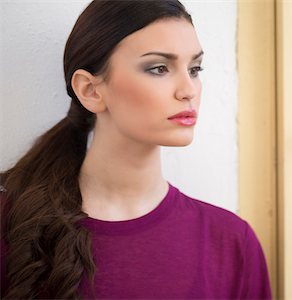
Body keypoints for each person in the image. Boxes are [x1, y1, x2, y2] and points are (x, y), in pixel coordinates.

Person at [0, 1, 272, 299]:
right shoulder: (12, 225)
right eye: (159, 68)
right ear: (90, 90)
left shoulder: (231, 242)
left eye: (195, 69)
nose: (189, 90)